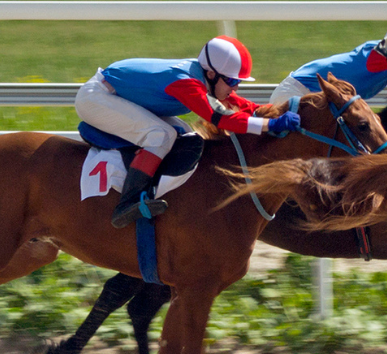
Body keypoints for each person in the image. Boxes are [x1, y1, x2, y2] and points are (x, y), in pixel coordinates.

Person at [74, 35, 303, 228]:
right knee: (161, 136)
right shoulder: (187, 82)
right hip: (97, 98)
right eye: (232, 81)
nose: (235, 87)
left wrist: (274, 112)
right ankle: (128, 202)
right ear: (211, 74)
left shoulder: (205, 77)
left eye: (238, 82)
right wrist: (270, 125)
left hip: (117, 95)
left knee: (183, 133)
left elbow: (238, 103)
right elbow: (221, 118)